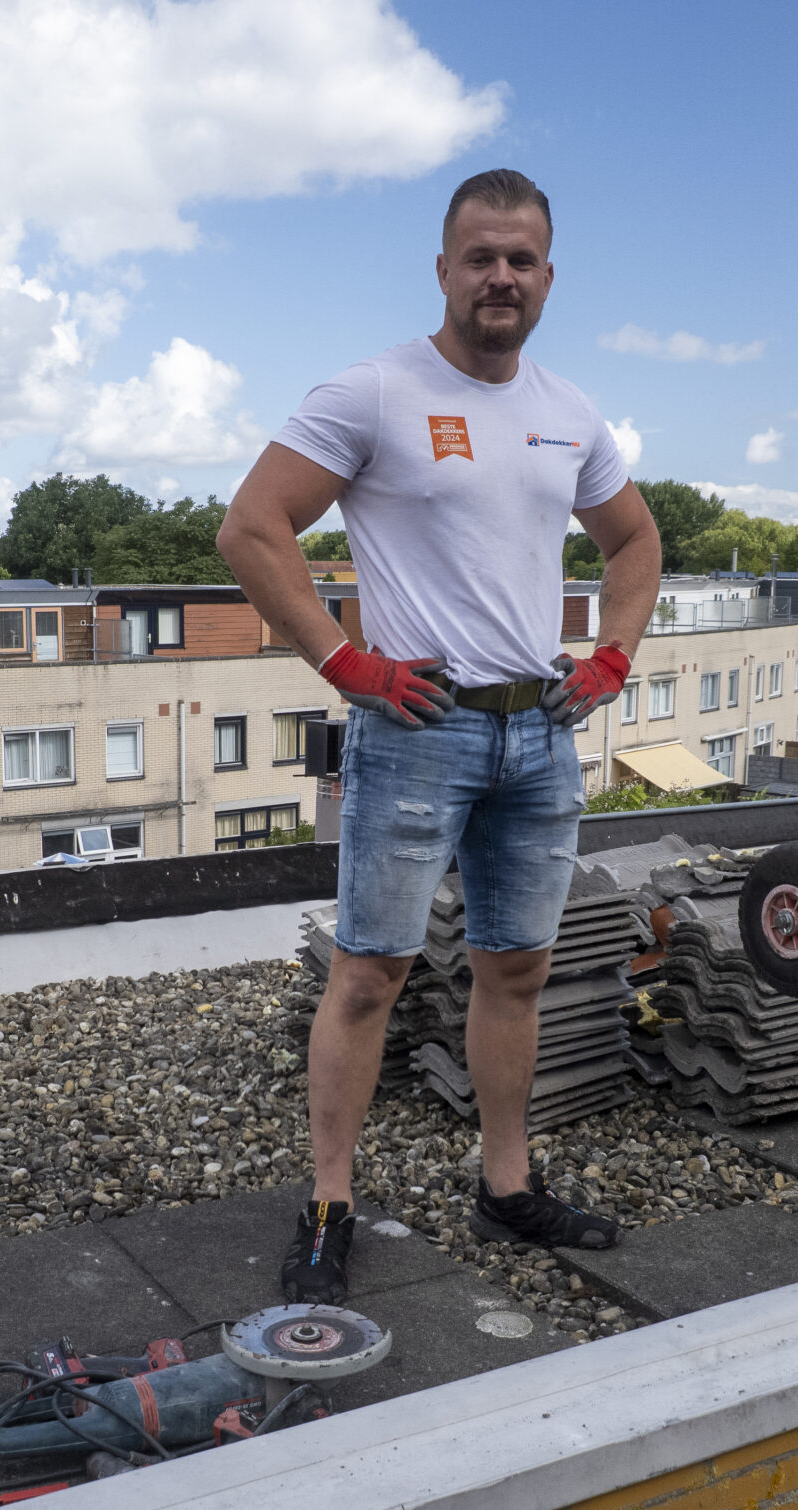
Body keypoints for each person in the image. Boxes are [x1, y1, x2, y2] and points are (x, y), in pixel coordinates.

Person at [217, 167, 663, 1304]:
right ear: (444, 269)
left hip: (539, 733)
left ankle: (506, 1185)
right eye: (480, 257)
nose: (500, 277)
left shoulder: (569, 415)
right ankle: (327, 1204)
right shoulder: (373, 393)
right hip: (418, 730)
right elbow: (252, 526)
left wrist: (610, 657)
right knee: (369, 974)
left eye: (520, 260)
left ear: (548, 277)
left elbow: (633, 541)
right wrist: (344, 662)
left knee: (516, 967)